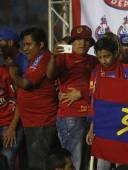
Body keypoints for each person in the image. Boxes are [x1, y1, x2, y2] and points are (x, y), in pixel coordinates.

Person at [47, 25, 96, 170]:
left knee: (88, 163)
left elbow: (100, 86)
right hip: (71, 116)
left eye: (86, 40)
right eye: (78, 40)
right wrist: (53, 56)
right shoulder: (63, 58)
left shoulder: (94, 61)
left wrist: (81, 93)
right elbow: (50, 75)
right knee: (73, 162)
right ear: (71, 43)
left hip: (91, 116)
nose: (82, 43)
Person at [8, 27, 58, 169]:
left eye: (29, 44)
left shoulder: (43, 58)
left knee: (39, 164)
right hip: (33, 122)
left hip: (41, 122)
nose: (25, 48)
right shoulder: (35, 60)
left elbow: (26, 83)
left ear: (41, 45)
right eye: (24, 45)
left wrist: (13, 73)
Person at [86, 36, 128, 170]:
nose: (103, 60)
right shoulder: (95, 73)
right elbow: (94, 101)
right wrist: (91, 128)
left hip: (124, 123)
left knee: (122, 164)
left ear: (115, 54)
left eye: (106, 56)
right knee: (102, 165)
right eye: (100, 57)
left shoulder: (126, 69)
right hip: (103, 124)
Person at [0, 46, 24, 170]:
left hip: (8, 124)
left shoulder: (7, 73)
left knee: (8, 159)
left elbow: (20, 101)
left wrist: (12, 127)